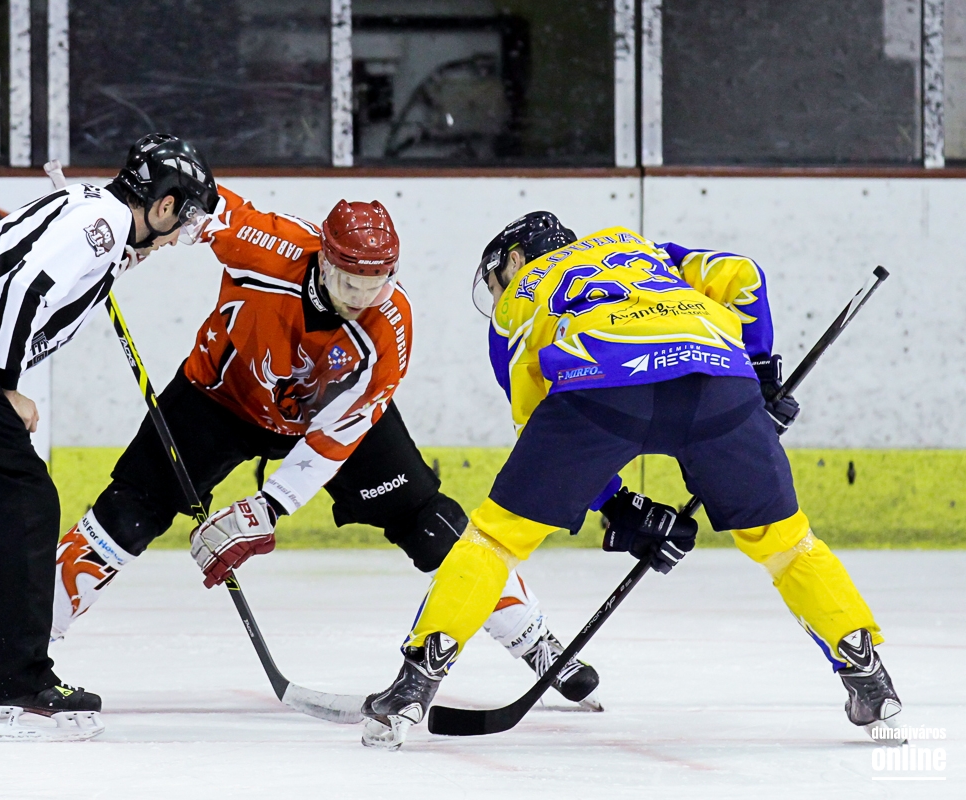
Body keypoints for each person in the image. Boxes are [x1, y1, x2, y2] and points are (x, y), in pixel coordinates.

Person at [360, 212, 901, 749]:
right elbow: (744, 275)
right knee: (788, 545)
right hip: (717, 379)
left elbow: (535, 420)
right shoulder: (638, 246)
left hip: (601, 388)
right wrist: (759, 379)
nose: (497, 291)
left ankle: (413, 686)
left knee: (494, 540)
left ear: (516, 258)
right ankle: (869, 678)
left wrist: (615, 504)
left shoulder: (517, 301)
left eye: (496, 276)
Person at [49, 189, 602, 710]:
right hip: (218, 397)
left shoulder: (391, 326)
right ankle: (22, 644)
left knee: (429, 522)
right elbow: (195, 202)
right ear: (323, 260)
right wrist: (115, 226)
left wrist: (269, 508)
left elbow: (340, 433)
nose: (362, 299)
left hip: (326, 416)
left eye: (376, 284)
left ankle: (536, 641)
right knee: (128, 512)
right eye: (349, 282)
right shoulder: (268, 245)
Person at [0, 133, 218, 741]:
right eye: (181, 222)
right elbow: (28, 289)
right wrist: (7, 386)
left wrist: (114, 262)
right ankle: (15, 686)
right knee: (23, 501)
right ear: (163, 206)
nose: (175, 239)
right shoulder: (104, 221)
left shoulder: (92, 214)